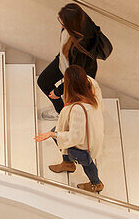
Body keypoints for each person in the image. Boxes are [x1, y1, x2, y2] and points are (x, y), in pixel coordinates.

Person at [35, 64, 105, 193]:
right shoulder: (91, 83)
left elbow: (75, 137)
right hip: (91, 128)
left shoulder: (78, 109)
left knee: (86, 161)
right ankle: (67, 163)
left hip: (83, 140)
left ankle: (96, 183)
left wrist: (53, 135)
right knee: (56, 133)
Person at [37, 2, 113, 118]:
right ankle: (62, 112)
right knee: (43, 81)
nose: (60, 23)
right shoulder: (79, 18)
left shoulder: (80, 48)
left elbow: (76, 75)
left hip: (78, 74)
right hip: (65, 60)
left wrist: (58, 92)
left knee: (74, 101)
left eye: (62, 22)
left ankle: (65, 116)